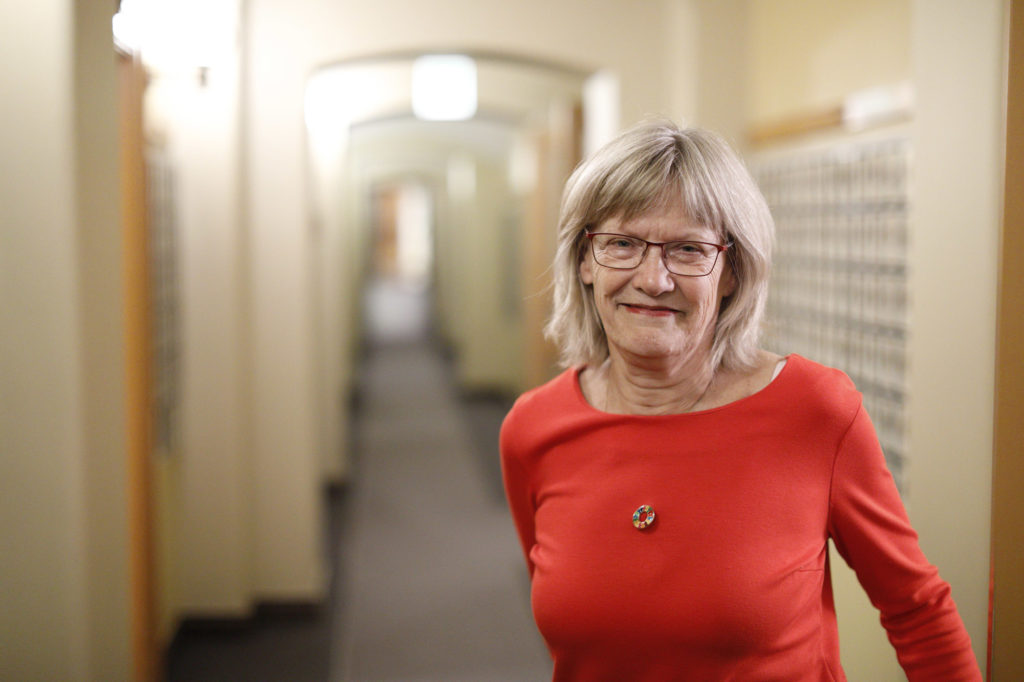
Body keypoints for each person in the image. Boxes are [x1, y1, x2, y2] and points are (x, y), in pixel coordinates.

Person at [499, 120, 981, 681]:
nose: (653, 278)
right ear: (585, 261)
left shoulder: (815, 412)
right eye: (622, 244)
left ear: (731, 272)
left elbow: (917, 610)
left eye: (687, 249)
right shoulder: (534, 428)